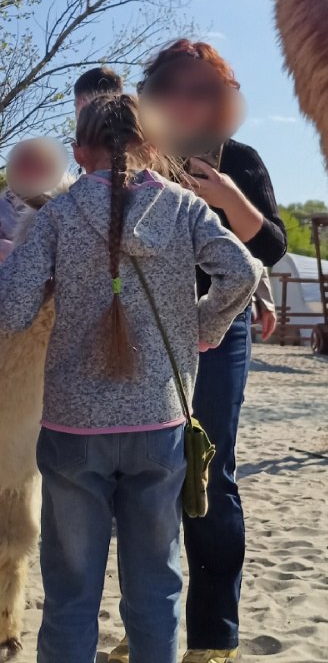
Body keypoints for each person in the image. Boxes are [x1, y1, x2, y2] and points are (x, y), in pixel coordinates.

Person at [0, 94, 261, 663]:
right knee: (155, 585)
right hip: (159, 423)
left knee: (70, 591)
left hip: (72, 429)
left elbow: (11, 311)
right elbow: (244, 271)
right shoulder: (185, 209)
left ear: (78, 151)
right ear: (153, 146)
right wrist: (204, 330)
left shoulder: (58, 216)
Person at [137, 40, 287, 662]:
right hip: (143, 334)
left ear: (224, 101)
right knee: (147, 479)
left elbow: (273, 248)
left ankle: (213, 636)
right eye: (174, 86)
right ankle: (149, 625)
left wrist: (229, 198)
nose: (189, 100)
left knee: (209, 473)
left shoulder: (241, 160)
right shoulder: (134, 161)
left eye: (205, 89)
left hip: (219, 336)